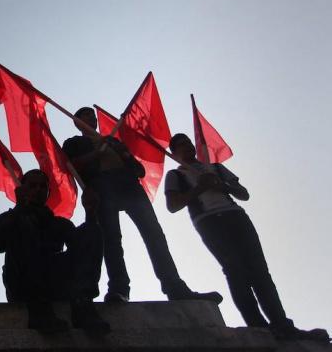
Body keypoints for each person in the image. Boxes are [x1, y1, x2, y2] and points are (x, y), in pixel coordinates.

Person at [166, 133, 332, 341]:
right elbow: (173, 205)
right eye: (181, 145)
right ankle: (257, 326)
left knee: (260, 271)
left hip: (236, 216)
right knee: (235, 271)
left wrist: (222, 186)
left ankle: (282, 325)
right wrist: (200, 188)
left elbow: (243, 194)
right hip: (209, 222)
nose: (188, 147)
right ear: (175, 153)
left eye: (189, 142)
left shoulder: (215, 168)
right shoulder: (176, 175)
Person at [62, 107, 221, 304]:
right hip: (102, 185)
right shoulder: (75, 142)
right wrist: (97, 153)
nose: (91, 118)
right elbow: (71, 165)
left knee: (154, 233)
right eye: (86, 116)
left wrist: (124, 154)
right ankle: (119, 288)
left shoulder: (113, 141)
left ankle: (174, 286)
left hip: (129, 185)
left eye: (92, 116)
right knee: (111, 238)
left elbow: (139, 171)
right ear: (76, 122)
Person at [0, 169, 110, 335]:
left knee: (92, 231)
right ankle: (39, 312)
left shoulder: (59, 224)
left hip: (53, 282)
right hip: (22, 284)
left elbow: (82, 249)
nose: (38, 190)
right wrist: (20, 209)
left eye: (42, 186)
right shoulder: (9, 217)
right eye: (32, 186)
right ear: (22, 189)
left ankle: (83, 304)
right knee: (25, 223)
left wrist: (90, 214)